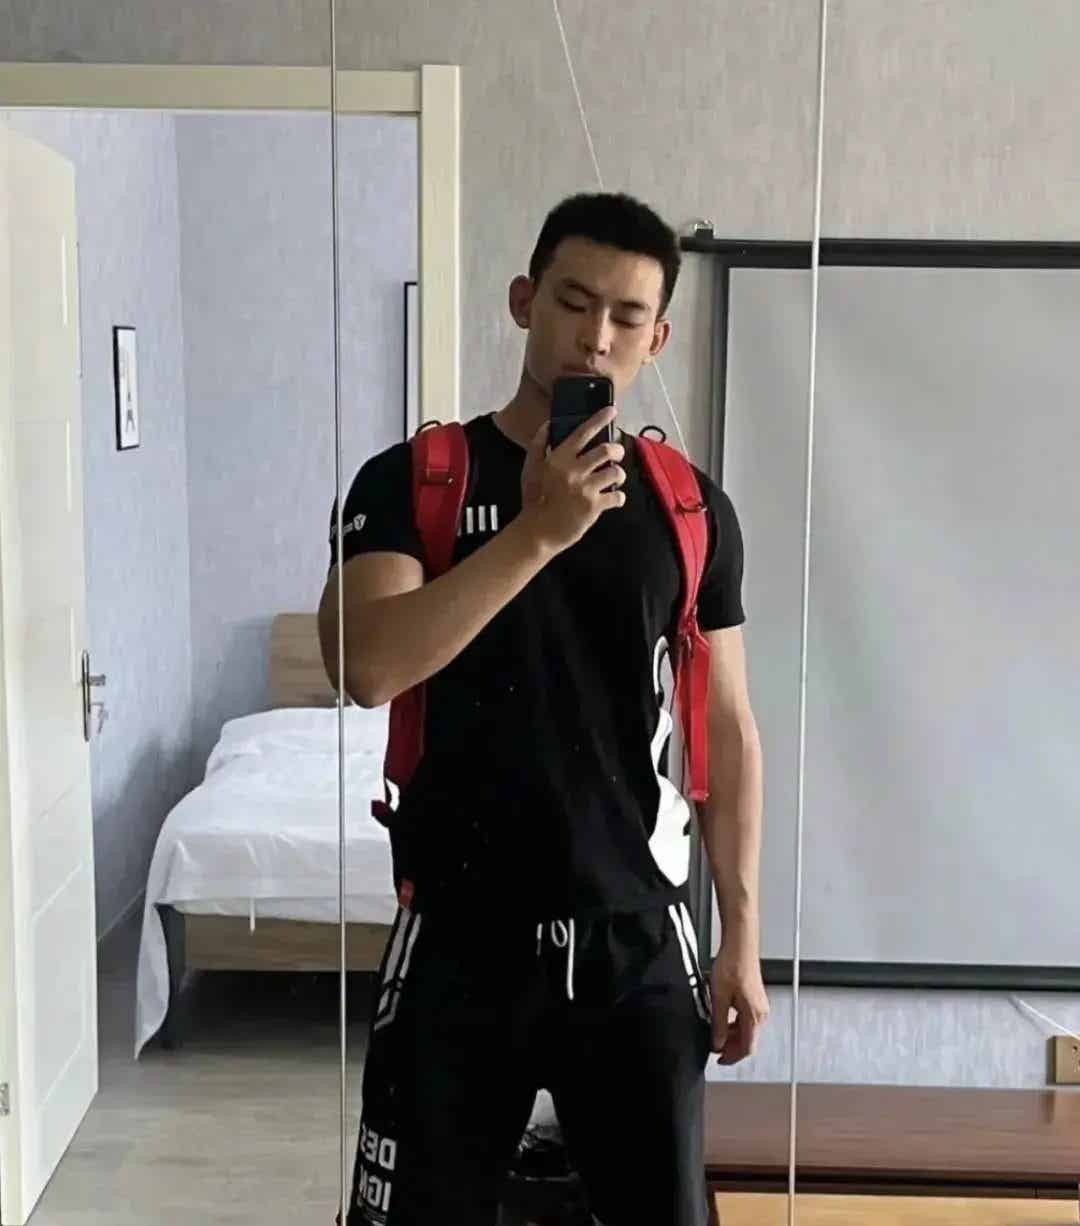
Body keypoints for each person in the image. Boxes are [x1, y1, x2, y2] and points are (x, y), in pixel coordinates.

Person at [319, 192, 769, 1226]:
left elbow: (729, 730)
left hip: (636, 939)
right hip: (459, 937)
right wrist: (537, 533)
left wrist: (741, 936)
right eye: (572, 302)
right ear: (524, 301)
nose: (595, 336)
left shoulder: (688, 505)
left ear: (656, 338)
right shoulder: (417, 481)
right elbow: (366, 666)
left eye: (626, 316)